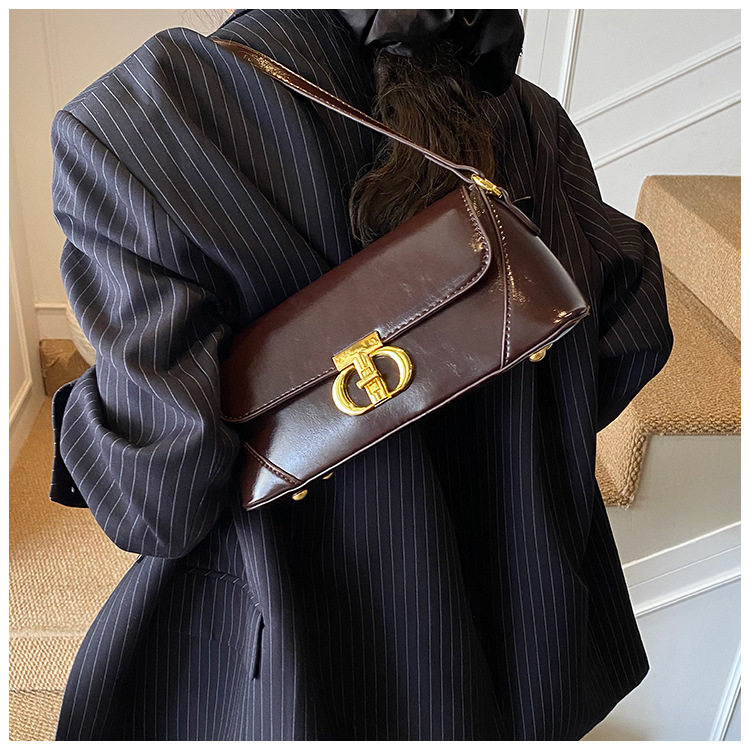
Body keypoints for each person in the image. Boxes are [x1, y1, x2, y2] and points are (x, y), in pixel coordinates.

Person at [48, 9, 673, 741]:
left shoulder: (137, 123)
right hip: (522, 628)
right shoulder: (519, 106)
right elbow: (628, 334)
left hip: (302, 666)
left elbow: (158, 502)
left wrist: (82, 409)